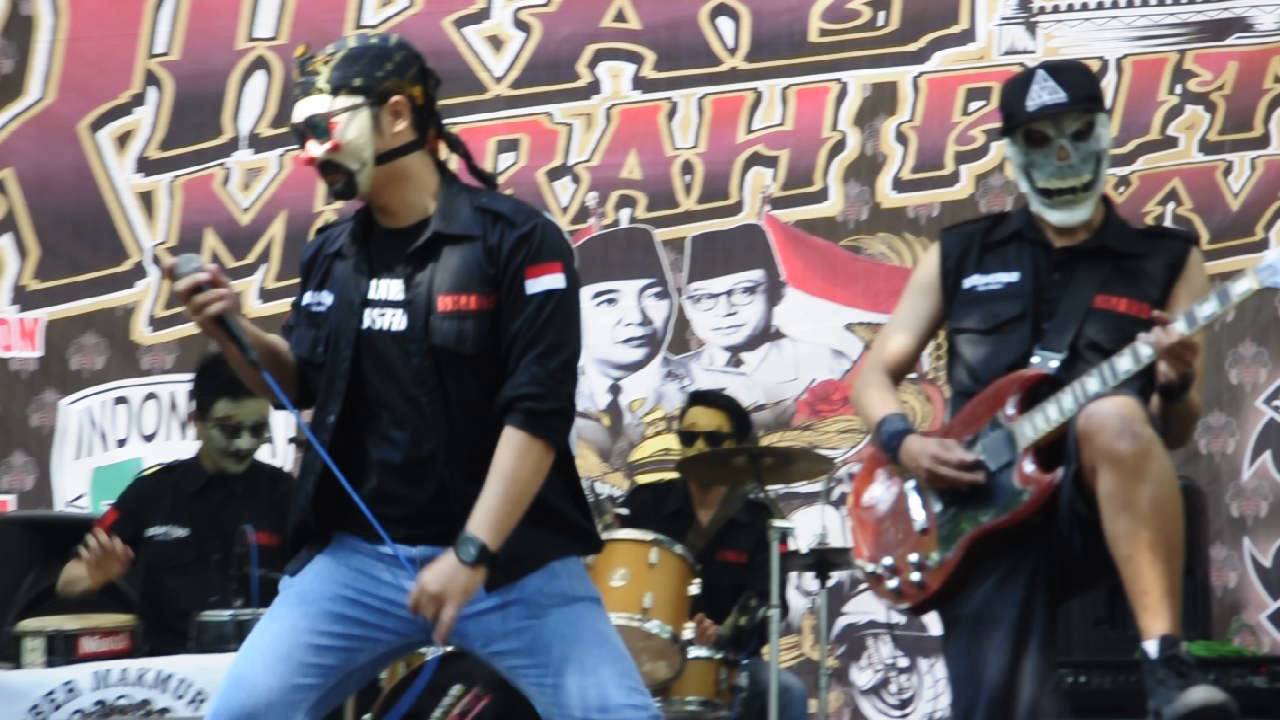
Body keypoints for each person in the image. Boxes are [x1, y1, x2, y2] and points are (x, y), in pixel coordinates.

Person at [167, 33, 656, 720]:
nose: (310, 151)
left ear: (397, 114)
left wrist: (471, 553)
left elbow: (537, 413)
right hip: (360, 563)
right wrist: (233, 328)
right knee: (242, 712)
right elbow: (300, 383)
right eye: (300, 133)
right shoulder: (331, 252)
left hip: (511, 564)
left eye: (325, 126)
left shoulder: (518, 241)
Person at [850, 59, 1238, 719]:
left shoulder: (1168, 259)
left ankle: (1165, 663)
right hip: (979, 516)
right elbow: (873, 377)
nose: (1063, 156)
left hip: (1096, 504)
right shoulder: (961, 252)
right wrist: (906, 444)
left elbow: (1176, 431)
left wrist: (1173, 387)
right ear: (1011, 151)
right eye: (1039, 139)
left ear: (1104, 135)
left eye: (1078, 134)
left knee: (1112, 416)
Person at [56, 352, 292, 656]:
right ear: (196, 422)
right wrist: (95, 575)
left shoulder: (286, 493)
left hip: (264, 665)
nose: (244, 443)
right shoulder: (152, 492)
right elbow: (67, 582)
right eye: (230, 430)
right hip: (167, 670)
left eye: (257, 429)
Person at [618, 389, 808, 719]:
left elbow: (767, 604)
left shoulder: (760, 520)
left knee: (788, 690)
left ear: (737, 447)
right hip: (645, 654)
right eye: (689, 437)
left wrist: (726, 634)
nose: (700, 447)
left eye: (714, 439)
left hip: (728, 661)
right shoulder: (644, 503)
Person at [680, 223, 851, 430]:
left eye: (744, 292)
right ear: (687, 306)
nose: (724, 311)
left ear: (777, 293)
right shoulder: (674, 376)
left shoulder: (825, 363)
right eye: (704, 298)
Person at [573, 225, 691, 467]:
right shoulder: (547, 401)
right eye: (608, 301)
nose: (636, 318)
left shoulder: (715, 389)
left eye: (654, 295)